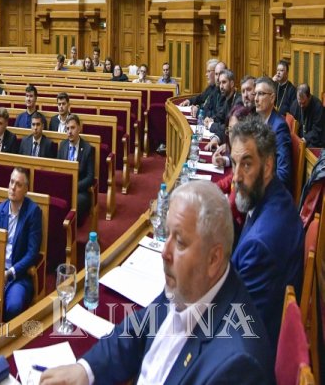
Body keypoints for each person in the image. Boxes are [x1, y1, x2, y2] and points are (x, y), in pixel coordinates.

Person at [39, 182, 271, 385]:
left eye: (179, 242)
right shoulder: (189, 285)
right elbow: (139, 327)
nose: (164, 252)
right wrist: (86, 370)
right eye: (167, 234)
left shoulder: (238, 366)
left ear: (213, 259)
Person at [228, 115, 304, 348]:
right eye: (234, 163)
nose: (236, 177)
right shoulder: (274, 196)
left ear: (268, 166)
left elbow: (237, 328)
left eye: (246, 164)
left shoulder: (259, 246)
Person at [0, 167, 42, 318]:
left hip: (19, 275)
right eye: (11, 182)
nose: (13, 187)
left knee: (13, 307)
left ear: (26, 189)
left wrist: (10, 273)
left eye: (18, 184)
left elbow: (32, 253)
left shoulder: (33, 212)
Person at [253, 78, 294, 199]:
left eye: (261, 94)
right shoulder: (258, 120)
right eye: (255, 94)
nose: (256, 99)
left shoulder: (280, 127)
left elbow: (283, 173)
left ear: (272, 98)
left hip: (272, 195)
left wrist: (257, 185)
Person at [58, 115, 97, 224]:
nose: (69, 132)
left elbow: (90, 177)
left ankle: (72, 228)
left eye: (73, 128)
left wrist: (74, 187)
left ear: (79, 128)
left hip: (81, 190)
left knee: (77, 202)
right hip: (63, 187)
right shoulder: (62, 145)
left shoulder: (88, 149)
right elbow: (58, 169)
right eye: (67, 128)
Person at [296, 83, 323, 148]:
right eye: (299, 103)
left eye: (304, 103)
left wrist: (305, 139)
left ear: (309, 97)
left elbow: (317, 130)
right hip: (300, 139)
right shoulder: (295, 104)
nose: (301, 106)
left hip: (314, 141)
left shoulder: (318, 107)